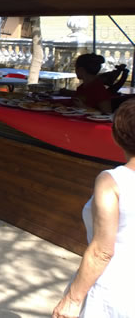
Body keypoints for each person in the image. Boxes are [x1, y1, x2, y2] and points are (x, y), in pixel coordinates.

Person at [52, 99, 135, 318]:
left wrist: (72, 299)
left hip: (114, 291)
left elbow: (102, 251)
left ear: (117, 136)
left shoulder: (112, 181)